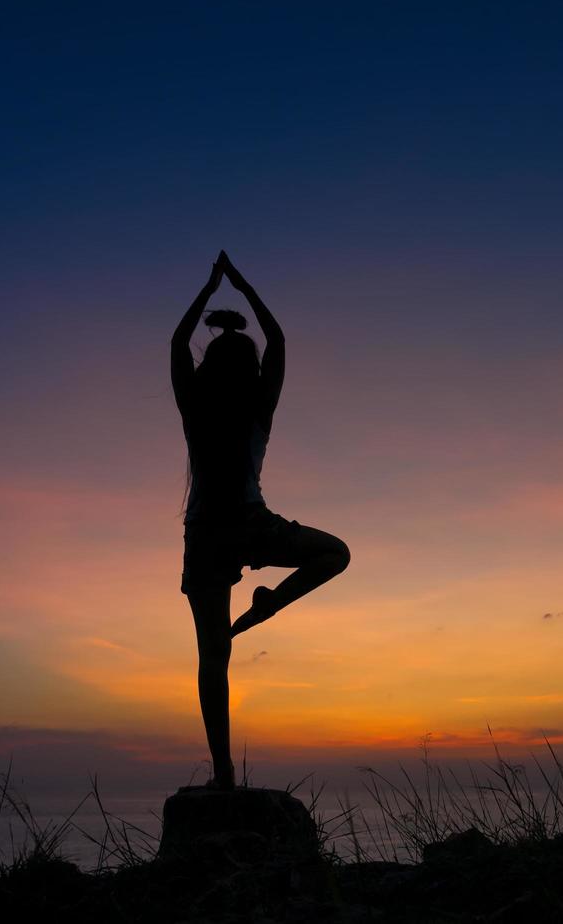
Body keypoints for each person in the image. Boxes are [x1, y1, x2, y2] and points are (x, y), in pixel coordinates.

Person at [171, 250, 351, 789]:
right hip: (250, 526)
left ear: (211, 368)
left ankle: (224, 773)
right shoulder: (256, 408)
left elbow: (179, 345)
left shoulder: (196, 407)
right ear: (248, 370)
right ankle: (267, 607)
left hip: (206, 535)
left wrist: (209, 287)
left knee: (212, 659)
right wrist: (241, 284)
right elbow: (278, 342)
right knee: (334, 554)